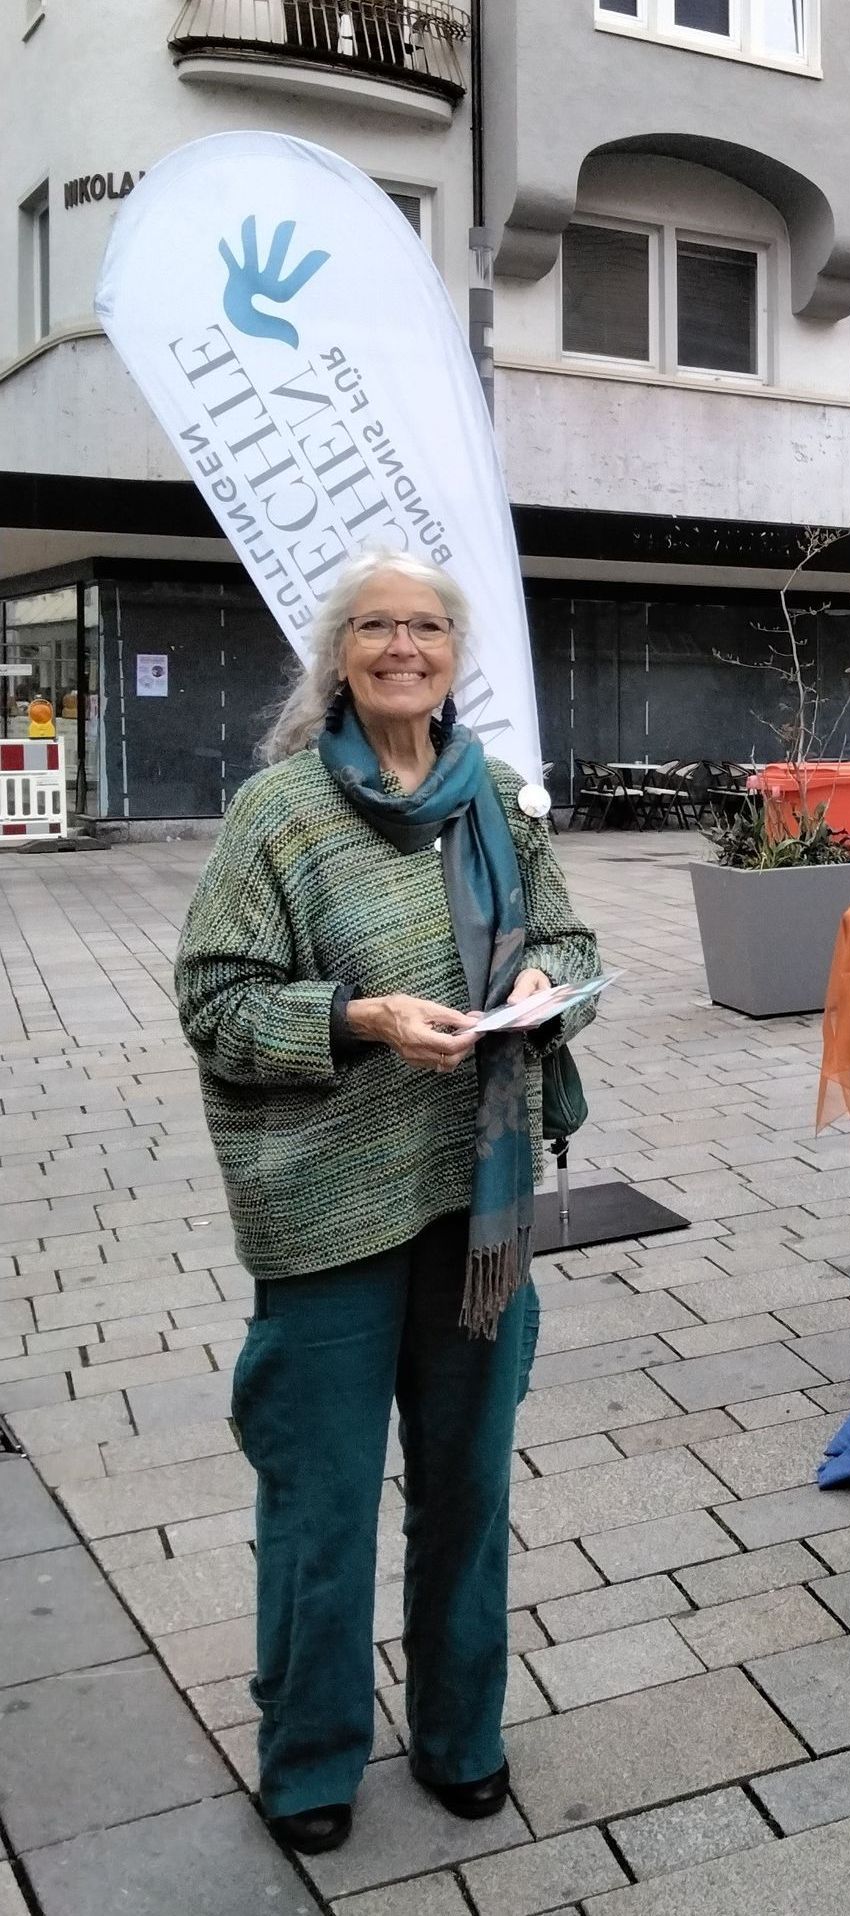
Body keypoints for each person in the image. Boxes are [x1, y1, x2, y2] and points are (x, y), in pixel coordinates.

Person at [175, 549, 599, 1857]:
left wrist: (544, 988)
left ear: (454, 652)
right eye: (375, 626)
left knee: (468, 1486)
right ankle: (310, 1756)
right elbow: (215, 1001)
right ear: (339, 656)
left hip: (478, 1202)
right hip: (327, 1211)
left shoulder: (501, 801)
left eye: (425, 625)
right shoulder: (280, 812)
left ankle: (462, 1733)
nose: (403, 646)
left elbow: (571, 943)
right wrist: (359, 1021)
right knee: (321, 1499)